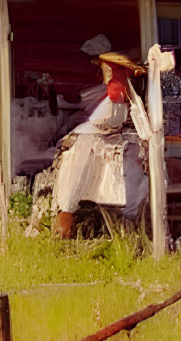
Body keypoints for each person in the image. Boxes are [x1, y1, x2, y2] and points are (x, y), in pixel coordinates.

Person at [52, 36, 149, 239]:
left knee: (79, 149)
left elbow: (113, 106)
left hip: (110, 119)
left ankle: (69, 209)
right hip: (110, 115)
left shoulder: (116, 79)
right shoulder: (116, 80)